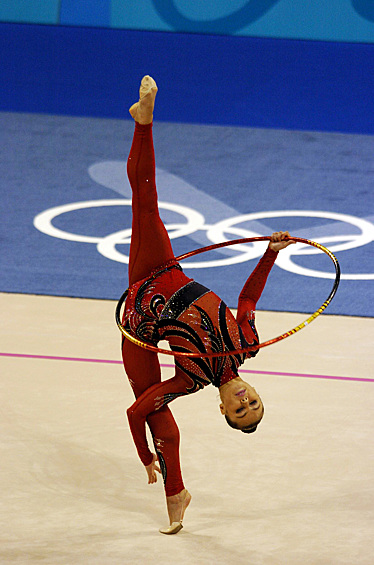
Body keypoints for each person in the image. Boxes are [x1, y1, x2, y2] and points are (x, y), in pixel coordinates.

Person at [121, 76, 295, 534]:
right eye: (253, 402)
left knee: (154, 409)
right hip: (163, 272)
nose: (243, 400)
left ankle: (168, 484)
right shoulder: (246, 344)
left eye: (239, 410)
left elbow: (134, 412)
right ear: (257, 391)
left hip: (140, 316)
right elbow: (248, 297)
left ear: (223, 411)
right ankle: (145, 121)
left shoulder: (191, 379)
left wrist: (142, 453)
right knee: (146, 202)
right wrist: (270, 254)